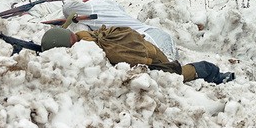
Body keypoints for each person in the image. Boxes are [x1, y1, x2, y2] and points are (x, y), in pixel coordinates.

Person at [40, 26, 234, 85]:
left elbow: (140, 61)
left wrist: (152, 67)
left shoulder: (92, 48)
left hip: (151, 58)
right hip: (144, 49)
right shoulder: (83, 36)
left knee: (178, 75)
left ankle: (213, 73)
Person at [60, 0, 178, 60]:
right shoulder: (108, 4)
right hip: (157, 34)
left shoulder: (91, 8)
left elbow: (67, 8)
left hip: (149, 38)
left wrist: (80, 6)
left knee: (168, 72)